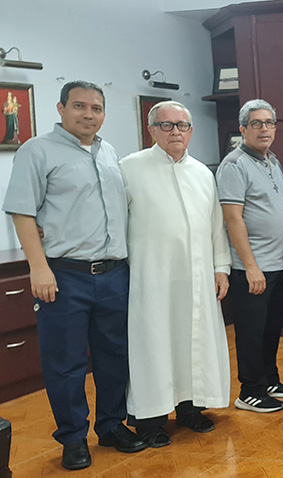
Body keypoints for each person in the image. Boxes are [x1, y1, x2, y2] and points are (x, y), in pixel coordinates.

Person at [2, 81, 144, 470]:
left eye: (97, 108)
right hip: (65, 275)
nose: (89, 114)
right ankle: (73, 438)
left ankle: (112, 425)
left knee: (114, 356)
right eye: (79, 106)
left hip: (114, 273)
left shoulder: (109, 152)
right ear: (61, 108)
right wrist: (38, 267)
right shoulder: (37, 150)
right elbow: (22, 212)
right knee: (65, 362)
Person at [119, 101, 232, 447]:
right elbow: (118, 225)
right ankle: (151, 420)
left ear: (191, 131)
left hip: (197, 278)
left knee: (193, 342)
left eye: (182, 126)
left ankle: (190, 409)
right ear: (151, 131)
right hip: (150, 278)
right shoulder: (128, 168)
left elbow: (216, 226)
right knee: (153, 345)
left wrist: (221, 267)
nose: (175, 132)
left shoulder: (202, 173)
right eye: (166, 126)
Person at [216, 99, 283, 413]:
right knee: (251, 331)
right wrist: (250, 267)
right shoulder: (234, 165)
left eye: (268, 123)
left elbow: (276, 212)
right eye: (256, 123)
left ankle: (269, 379)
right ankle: (250, 390)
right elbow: (233, 218)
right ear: (242, 129)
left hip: (275, 263)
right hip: (249, 268)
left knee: (270, 327)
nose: (263, 128)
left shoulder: (272, 160)